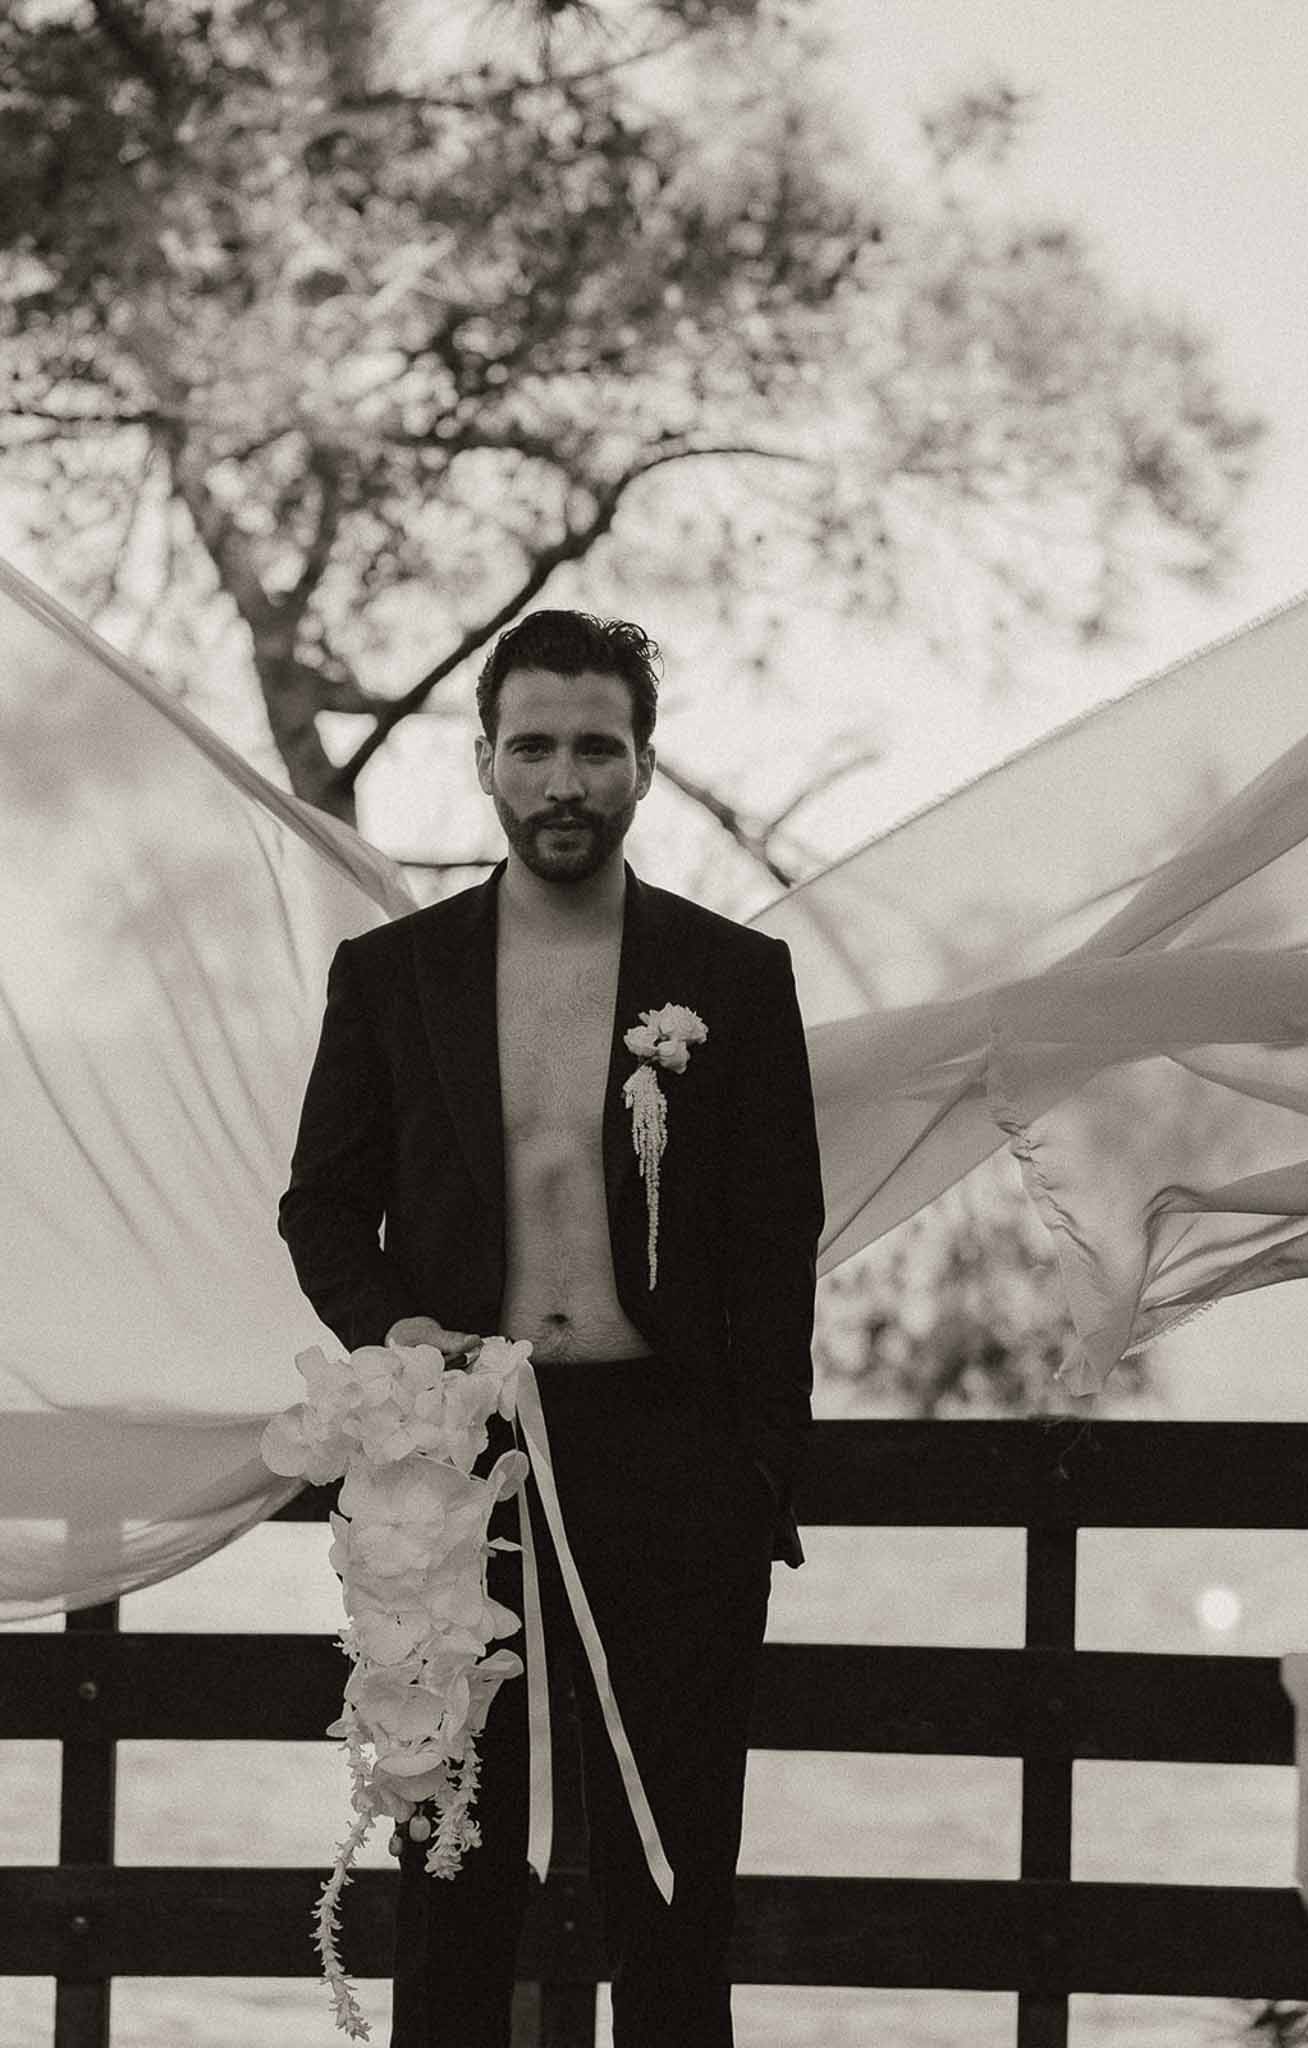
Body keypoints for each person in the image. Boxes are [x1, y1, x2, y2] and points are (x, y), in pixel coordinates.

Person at [276, 608, 825, 2047]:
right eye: (534, 747)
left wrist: (756, 1472)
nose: (564, 779)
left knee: (674, 1876)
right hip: (469, 1469)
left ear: (642, 769)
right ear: (484, 765)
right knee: (457, 1870)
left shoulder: (735, 980)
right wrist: (405, 1341)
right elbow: (320, 1210)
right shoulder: (392, 977)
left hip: (675, 1466)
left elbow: (778, 1243)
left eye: (597, 748)